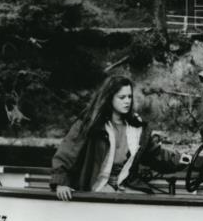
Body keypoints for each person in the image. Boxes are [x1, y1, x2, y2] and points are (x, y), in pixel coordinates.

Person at [50, 76, 188, 201]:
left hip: (125, 186)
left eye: (129, 97)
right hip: (96, 187)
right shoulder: (90, 125)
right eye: (122, 98)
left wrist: (184, 159)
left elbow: (155, 154)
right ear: (110, 98)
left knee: (148, 209)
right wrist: (61, 183)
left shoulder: (137, 128)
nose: (127, 101)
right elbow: (66, 154)